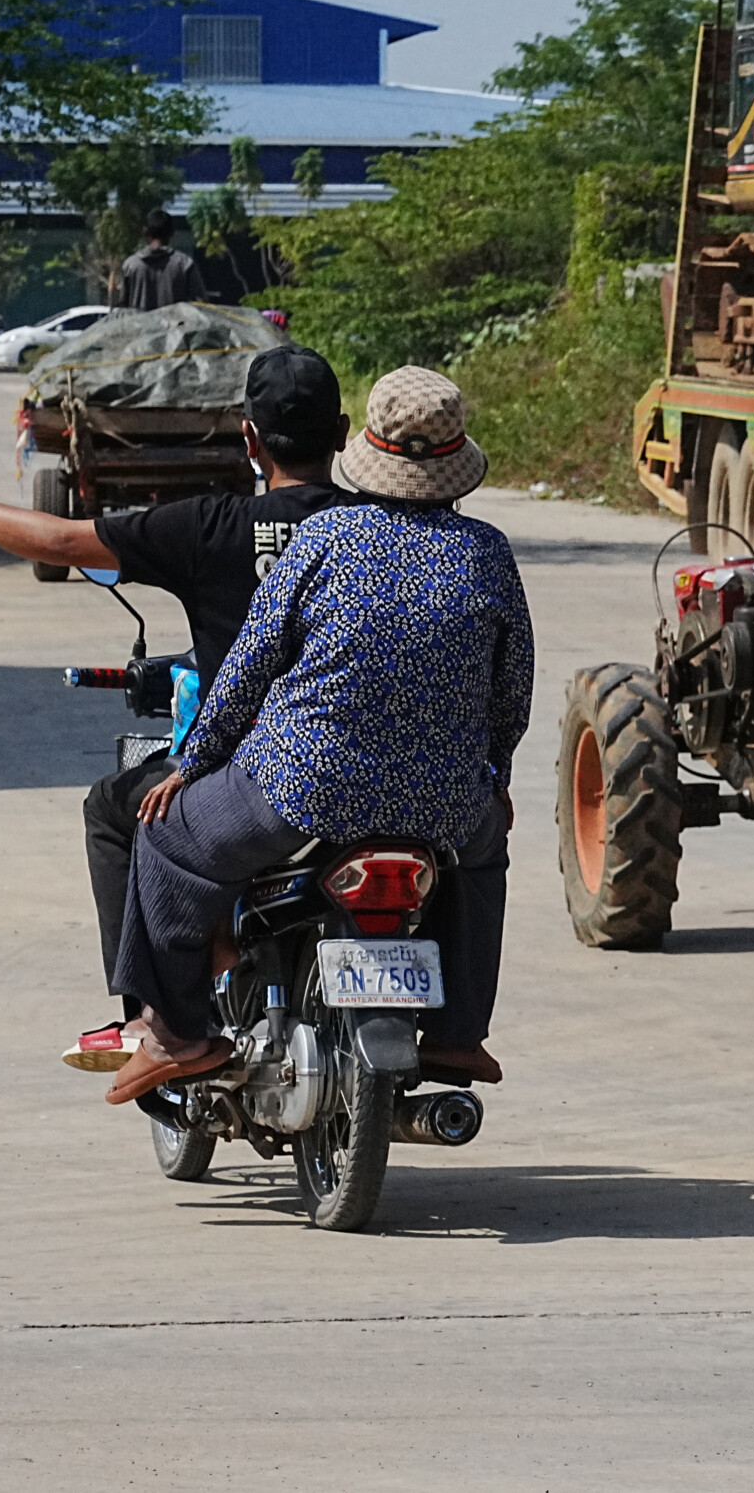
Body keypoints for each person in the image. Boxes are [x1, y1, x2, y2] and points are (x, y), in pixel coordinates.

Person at [0, 345, 357, 1067]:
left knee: (119, 807)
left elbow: (63, 539)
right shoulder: (380, 532)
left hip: (248, 777)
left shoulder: (209, 527)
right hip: (364, 766)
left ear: (248, 437)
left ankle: (152, 1018)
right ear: (342, 431)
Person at [104, 365, 532, 1105]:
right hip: (446, 802)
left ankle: (177, 1033)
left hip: (303, 787)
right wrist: (492, 777)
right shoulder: (487, 550)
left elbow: (247, 667)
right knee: (482, 857)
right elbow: (511, 693)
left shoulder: (325, 539)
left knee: (163, 833)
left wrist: (192, 760)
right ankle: (460, 1031)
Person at [115, 209, 203, 310]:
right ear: (172, 232)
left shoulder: (130, 265)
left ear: (145, 231)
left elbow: (122, 307)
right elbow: (200, 304)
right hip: (175, 325)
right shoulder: (184, 264)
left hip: (140, 325)